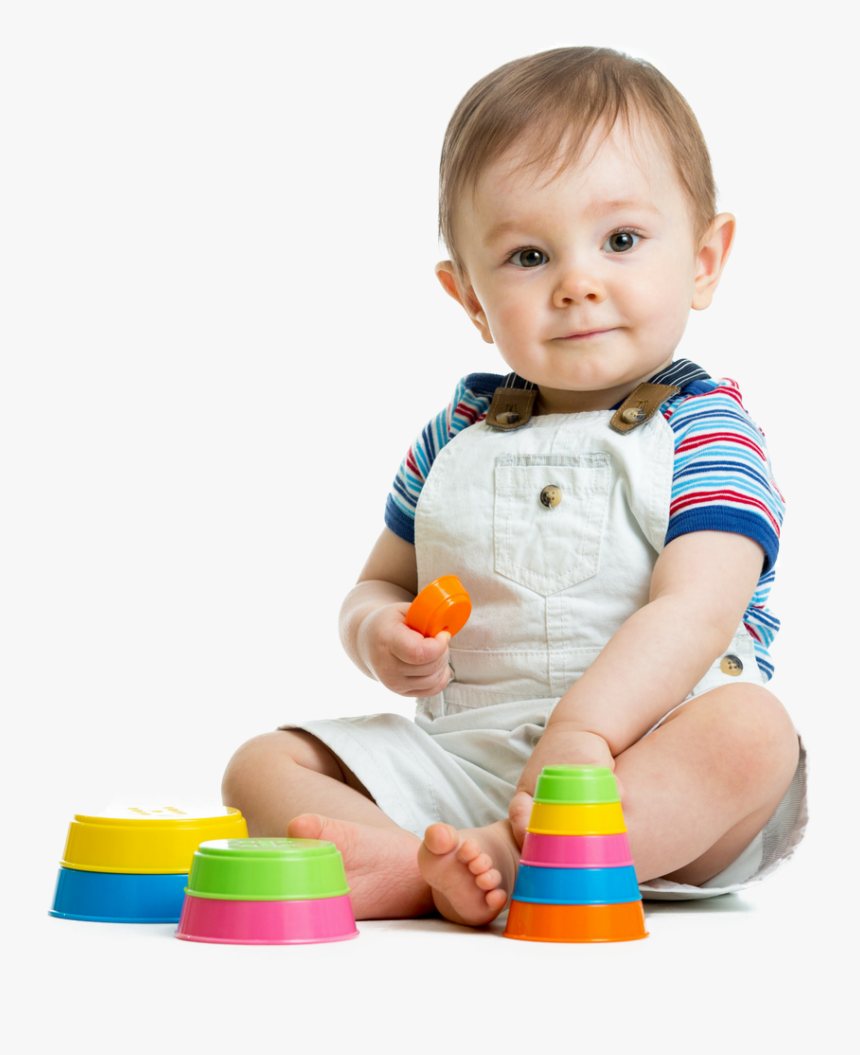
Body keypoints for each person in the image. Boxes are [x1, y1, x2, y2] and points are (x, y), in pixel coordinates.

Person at [222, 46, 807, 926]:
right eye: (529, 255)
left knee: (754, 734)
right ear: (468, 299)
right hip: (469, 759)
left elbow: (696, 608)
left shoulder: (706, 430)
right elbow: (379, 580)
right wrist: (379, 630)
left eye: (620, 240)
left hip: (642, 770)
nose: (578, 283)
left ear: (705, 258)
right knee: (259, 766)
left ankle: (505, 857)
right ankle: (435, 869)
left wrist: (585, 738)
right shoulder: (456, 433)